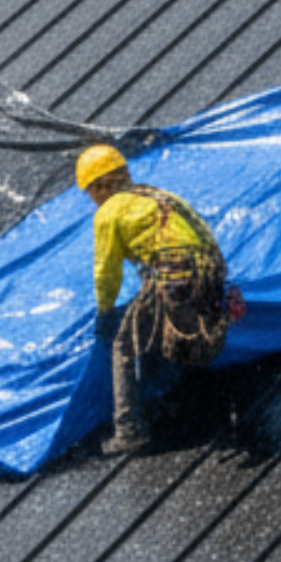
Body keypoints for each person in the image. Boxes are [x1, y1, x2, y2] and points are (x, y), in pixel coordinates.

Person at [78, 145, 232, 455]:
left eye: (91, 191)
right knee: (183, 329)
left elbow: (105, 272)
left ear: (97, 186)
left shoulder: (108, 213)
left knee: (124, 345)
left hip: (170, 278)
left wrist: (105, 311)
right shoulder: (159, 195)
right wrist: (222, 283)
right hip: (206, 273)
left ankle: (128, 431)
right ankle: (200, 391)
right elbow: (202, 230)